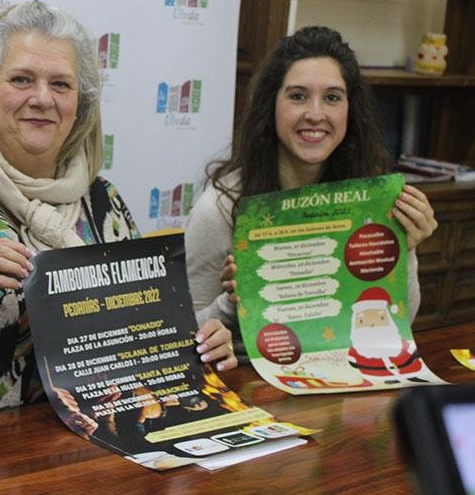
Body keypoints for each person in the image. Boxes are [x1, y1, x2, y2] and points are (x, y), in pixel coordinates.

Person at [0, 0, 237, 418]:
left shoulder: (103, 201)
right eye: (21, 79)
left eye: (61, 85)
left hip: (98, 449)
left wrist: (194, 341)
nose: (41, 98)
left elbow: (142, 330)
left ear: (80, 106)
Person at [186, 26, 438, 360]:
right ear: (271, 106)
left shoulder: (372, 200)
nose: (316, 114)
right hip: (254, 387)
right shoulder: (220, 207)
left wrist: (405, 250)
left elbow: (397, 323)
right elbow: (183, 335)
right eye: (298, 96)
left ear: (350, 110)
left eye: (332, 97)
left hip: (343, 380)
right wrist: (234, 302)